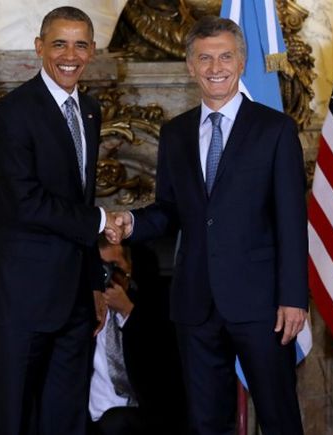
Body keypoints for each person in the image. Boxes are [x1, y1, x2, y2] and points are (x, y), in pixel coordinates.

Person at [106, 16, 308, 435]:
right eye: (205, 58)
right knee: (204, 422)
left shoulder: (275, 130)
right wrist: (130, 223)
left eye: (225, 56)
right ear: (190, 66)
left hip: (262, 305)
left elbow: (292, 221)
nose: (216, 67)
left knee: (279, 417)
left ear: (241, 61)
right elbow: (168, 210)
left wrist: (293, 297)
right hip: (195, 304)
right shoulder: (176, 133)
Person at [0, 7, 108, 435]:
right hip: (20, 297)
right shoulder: (13, 111)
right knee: (12, 420)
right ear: (39, 48)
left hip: (74, 300)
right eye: (60, 44)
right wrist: (102, 220)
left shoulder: (89, 109)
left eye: (81, 44)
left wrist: (96, 284)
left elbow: (76, 196)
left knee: (66, 420)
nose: (71, 54)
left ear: (92, 51)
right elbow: (26, 202)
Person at [89, 238, 186, 435]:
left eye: (114, 266)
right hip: (91, 419)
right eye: (101, 267)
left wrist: (129, 313)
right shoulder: (80, 315)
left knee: (115, 423)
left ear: (129, 267)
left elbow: (164, 378)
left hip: (137, 418)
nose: (108, 275)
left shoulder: (153, 312)